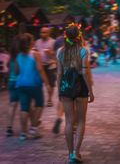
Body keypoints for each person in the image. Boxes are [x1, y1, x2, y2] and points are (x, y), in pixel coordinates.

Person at [57, 23, 94, 163]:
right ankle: (76, 153)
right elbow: (85, 72)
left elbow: (59, 74)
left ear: (65, 36)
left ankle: (69, 154)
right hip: (81, 89)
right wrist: (91, 91)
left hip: (66, 87)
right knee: (81, 121)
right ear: (79, 36)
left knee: (68, 121)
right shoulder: (83, 51)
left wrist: (58, 91)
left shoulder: (60, 52)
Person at [16, 33, 50, 140]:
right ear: (30, 42)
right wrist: (47, 83)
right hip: (34, 84)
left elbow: (16, 71)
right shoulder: (35, 54)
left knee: (24, 108)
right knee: (39, 104)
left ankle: (23, 133)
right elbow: (40, 69)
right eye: (32, 40)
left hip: (21, 84)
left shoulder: (18, 55)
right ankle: (33, 129)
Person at [35, 27, 56, 107]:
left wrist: (50, 53)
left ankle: (49, 99)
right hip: (40, 65)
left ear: (48, 33)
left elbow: (56, 54)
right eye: (41, 32)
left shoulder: (53, 42)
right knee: (38, 83)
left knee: (51, 84)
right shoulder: (37, 42)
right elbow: (35, 51)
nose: (42, 34)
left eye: (44, 32)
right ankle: (38, 98)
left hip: (50, 65)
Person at [6, 37, 19, 137]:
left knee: (12, 105)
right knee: (27, 104)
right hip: (19, 83)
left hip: (11, 82)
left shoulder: (11, 57)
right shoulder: (21, 58)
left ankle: (9, 128)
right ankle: (31, 126)